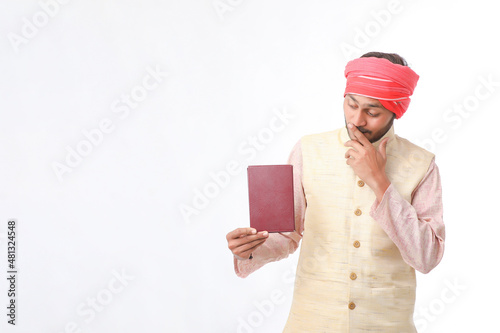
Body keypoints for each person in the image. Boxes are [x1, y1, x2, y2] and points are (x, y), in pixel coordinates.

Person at [226, 52, 445, 332]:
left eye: (373, 112)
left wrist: (380, 182)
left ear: (396, 110)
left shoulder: (422, 163)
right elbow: (285, 234)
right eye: (351, 104)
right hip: (312, 322)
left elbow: (426, 257)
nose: (357, 119)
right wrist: (251, 249)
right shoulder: (308, 149)